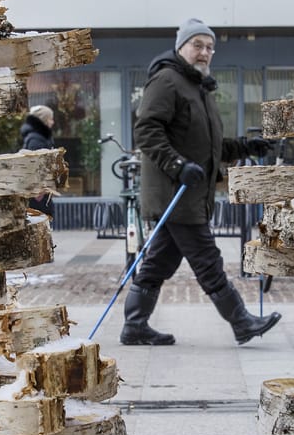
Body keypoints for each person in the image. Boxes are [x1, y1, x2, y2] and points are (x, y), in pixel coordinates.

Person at [120, 18, 281, 346]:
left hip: (191, 192)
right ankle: (241, 322)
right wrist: (177, 165)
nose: (205, 52)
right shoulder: (167, 81)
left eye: (210, 47)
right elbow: (146, 130)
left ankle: (134, 326)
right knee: (208, 261)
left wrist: (246, 146)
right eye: (198, 45)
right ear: (181, 46)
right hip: (175, 192)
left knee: (156, 265)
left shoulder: (199, 87)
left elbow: (209, 146)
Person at [19, 104, 56, 217]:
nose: (52, 122)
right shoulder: (36, 139)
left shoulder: (37, 137)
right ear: (43, 120)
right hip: (38, 196)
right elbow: (35, 167)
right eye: (50, 118)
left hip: (39, 194)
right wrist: (38, 193)